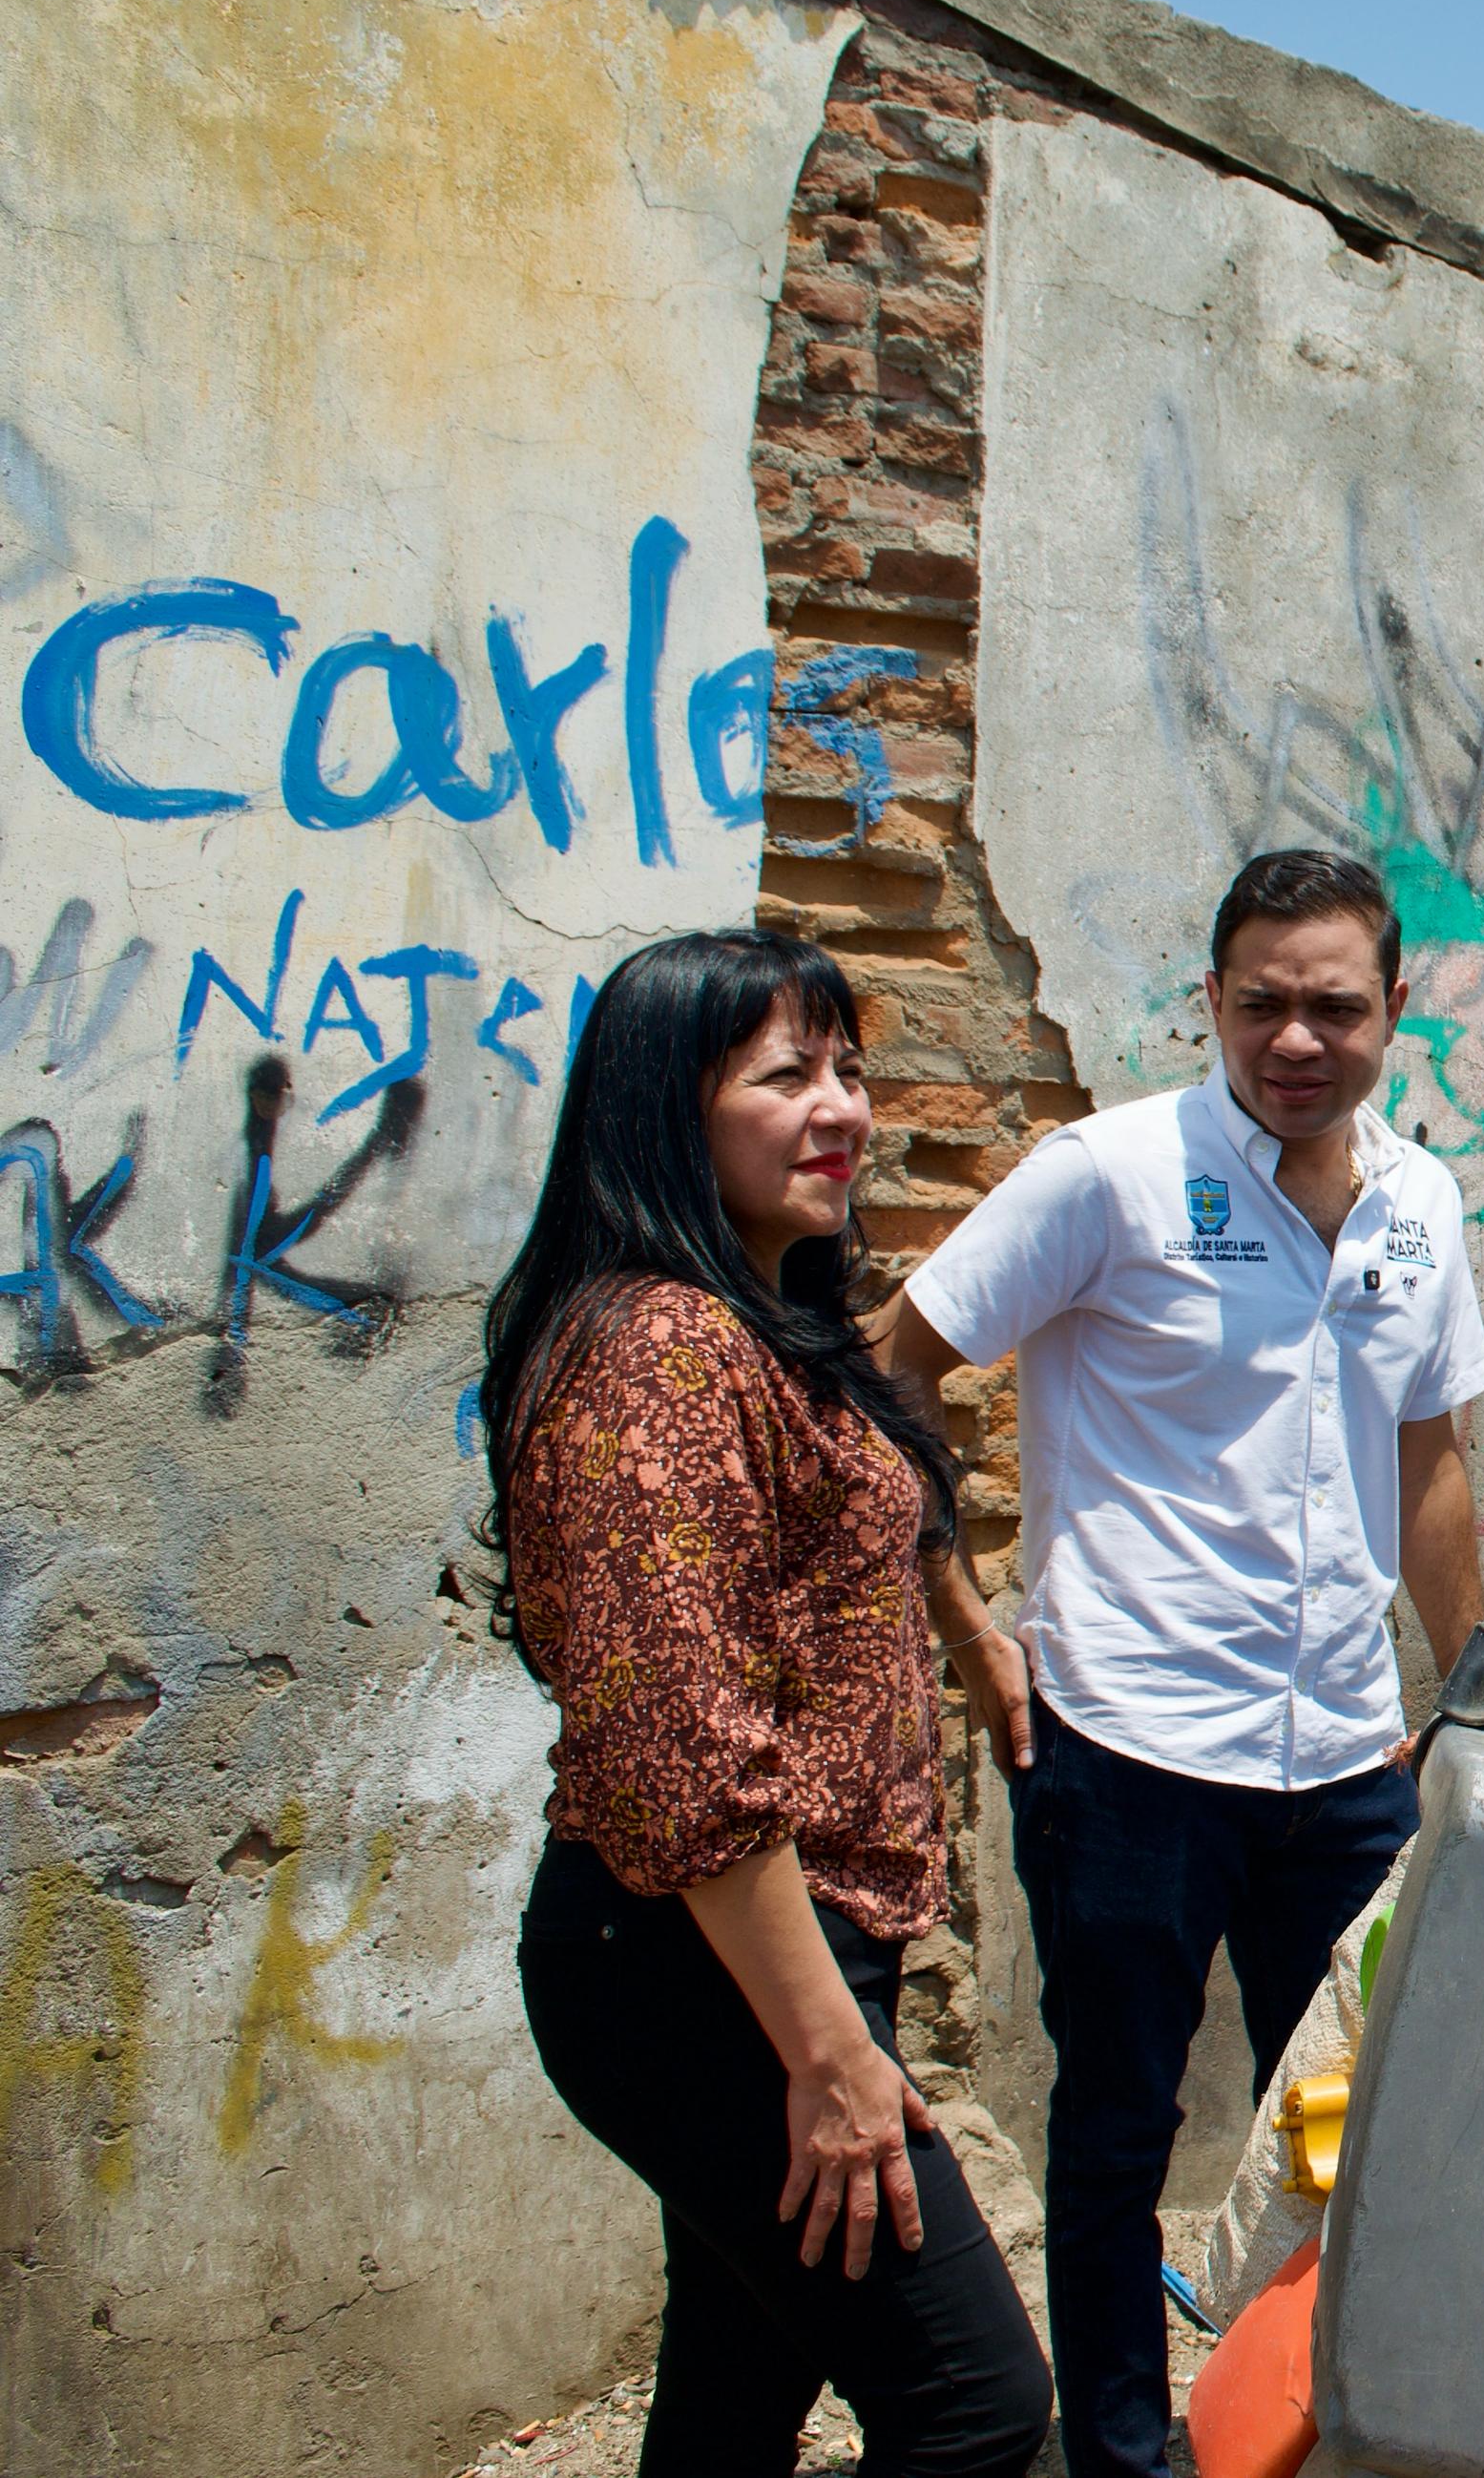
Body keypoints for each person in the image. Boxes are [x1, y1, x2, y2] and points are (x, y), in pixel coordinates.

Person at [880, 850, 1484, 2478]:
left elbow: (1429, 1459)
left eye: (1334, 1008)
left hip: (1349, 1762)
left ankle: (1311, 2436)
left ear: (1394, 1014)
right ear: (1211, 1003)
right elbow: (895, 1369)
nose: (1297, 1039)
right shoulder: (1109, 1174)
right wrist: (966, 1621)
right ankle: (1126, 2461)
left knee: (1365, 2134)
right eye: (1262, 1003)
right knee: (1113, 2144)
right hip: (1130, 1753)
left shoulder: (1423, 1204)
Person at [491, 929, 1051, 2478]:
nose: (845, 1110)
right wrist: (828, 2056)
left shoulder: (759, 1318)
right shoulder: (655, 1351)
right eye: (787, 1074)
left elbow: (859, 1513)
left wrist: (977, 1634)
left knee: (737, 2396)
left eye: (852, 1069)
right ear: (671, 1109)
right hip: (701, 1971)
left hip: (756, 1962)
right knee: (973, 2407)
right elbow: (685, 1755)